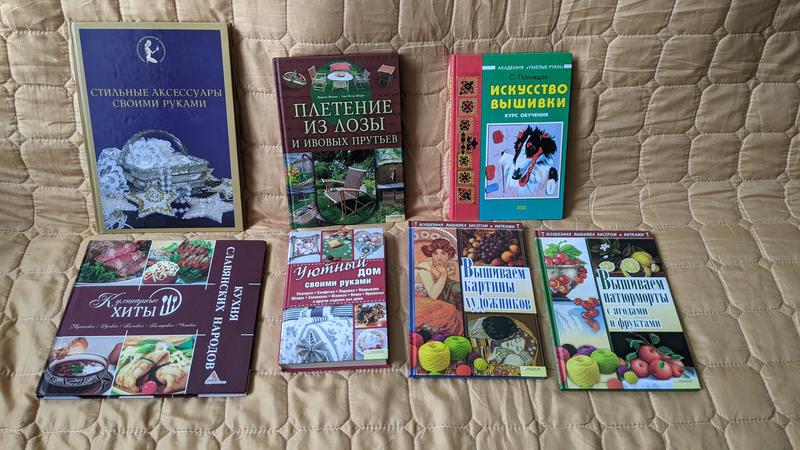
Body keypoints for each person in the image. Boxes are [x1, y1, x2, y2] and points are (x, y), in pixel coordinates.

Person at [413, 238, 463, 336]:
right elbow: (433, 295)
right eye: (435, 253)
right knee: (450, 310)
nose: (439, 257)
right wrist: (444, 274)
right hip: (418, 302)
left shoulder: (442, 266)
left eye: (443, 253)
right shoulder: (424, 268)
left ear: (449, 254)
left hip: (427, 301)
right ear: (431, 254)